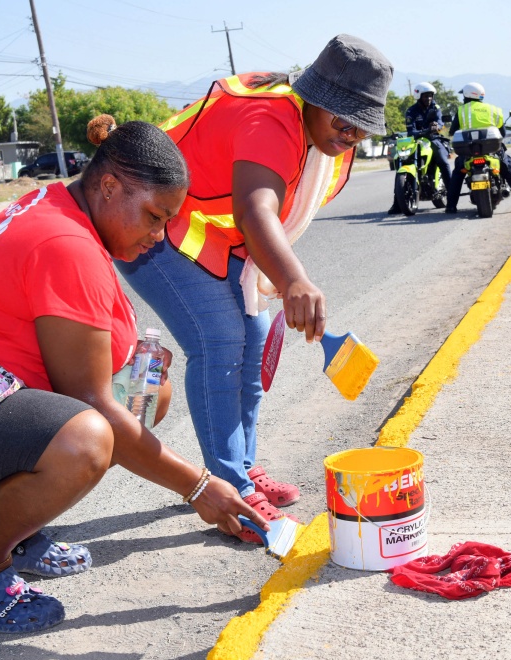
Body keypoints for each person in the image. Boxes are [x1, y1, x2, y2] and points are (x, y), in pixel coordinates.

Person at [0, 117, 266, 634]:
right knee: (88, 439)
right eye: (155, 217)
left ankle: (21, 525)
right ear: (110, 186)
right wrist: (201, 486)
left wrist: (141, 364)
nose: (159, 238)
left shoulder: (63, 205)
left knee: (145, 387)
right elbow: (93, 405)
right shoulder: (64, 243)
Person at [115, 34, 393, 542]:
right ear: (314, 100)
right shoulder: (272, 121)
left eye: (360, 127)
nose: (349, 134)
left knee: (254, 340)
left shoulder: (319, 140)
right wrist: (292, 280)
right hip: (147, 223)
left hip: (211, 238)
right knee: (220, 342)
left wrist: (283, 278)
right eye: (341, 119)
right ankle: (229, 485)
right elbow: (254, 211)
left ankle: (240, 465)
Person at [445, 82, 511, 213]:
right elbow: (502, 133)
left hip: (469, 150)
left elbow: (452, 131)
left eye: (463, 95)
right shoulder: (494, 109)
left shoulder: (462, 110)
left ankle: (451, 206)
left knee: (458, 173)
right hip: (491, 148)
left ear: (467, 95)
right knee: (508, 169)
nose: (462, 98)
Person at [391, 81, 453, 213]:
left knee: (443, 161)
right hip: (416, 140)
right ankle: (397, 203)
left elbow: (440, 123)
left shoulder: (435, 108)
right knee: (400, 163)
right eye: (426, 96)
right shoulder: (411, 111)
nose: (429, 98)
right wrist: (424, 131)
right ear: (419, 96)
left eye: (430, 96)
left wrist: (438, 126)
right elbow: (411, 131)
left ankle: (452, 200)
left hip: (434, 139)